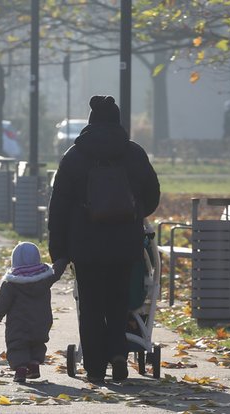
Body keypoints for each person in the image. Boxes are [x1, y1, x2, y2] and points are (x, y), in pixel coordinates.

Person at [47, 95, 160, 383]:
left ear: (91, 122)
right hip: (124, 243)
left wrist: (59, 252)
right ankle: (119, 354)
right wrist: (132, 213)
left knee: (91, 305)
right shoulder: (134, 153)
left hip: (86, 245)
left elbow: (58, 208)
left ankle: (95, 368)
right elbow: (152, 196)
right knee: (118, 301)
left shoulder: (74, 157)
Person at [0, 242, 62, 383]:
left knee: (17, 345)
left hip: (18, 323)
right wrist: (64, 258)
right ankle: (34, 366)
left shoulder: (11, 282)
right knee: (38, 343)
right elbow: (57, 271)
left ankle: (20, 370)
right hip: (42, 321)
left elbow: (2, 301)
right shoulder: (46, 277)